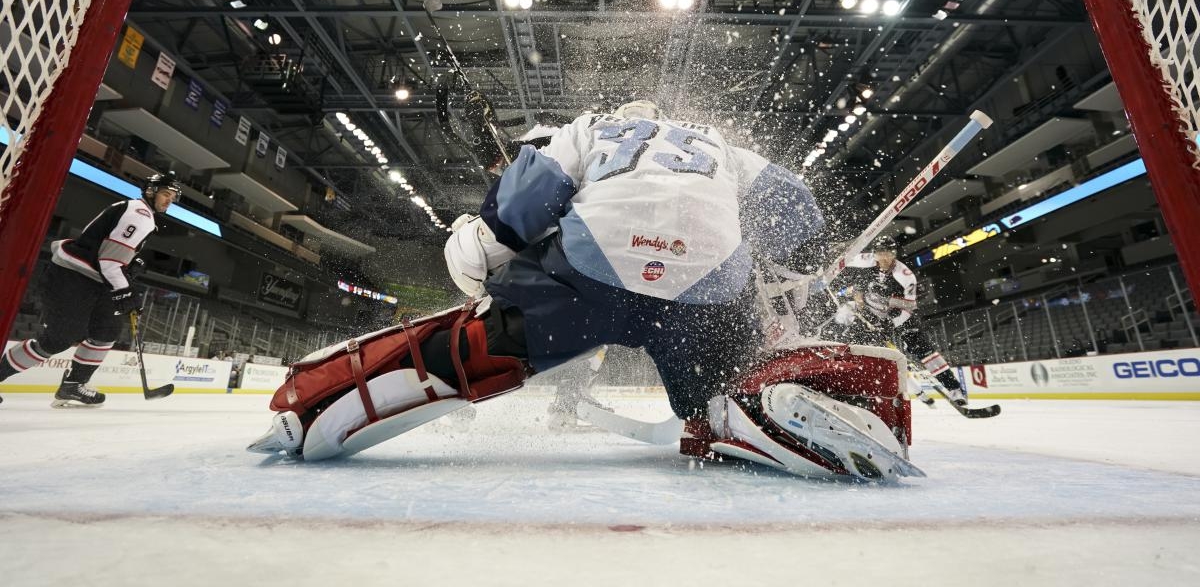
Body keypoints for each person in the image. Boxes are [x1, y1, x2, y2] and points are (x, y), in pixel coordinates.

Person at [248, 103, 922, 480]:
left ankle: (320, 404)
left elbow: (517, 212)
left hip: (589, 276)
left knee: (477, 345)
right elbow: (795, 214)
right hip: (707, 286)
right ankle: (753, 408)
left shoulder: (591, 128)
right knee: (716, 391)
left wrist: (490, 270)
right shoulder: (721, 146)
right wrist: (784, 274)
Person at [0, 172, 180, 407]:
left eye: (173, 197)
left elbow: (104, 249)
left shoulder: (134, 210)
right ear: (151, 191)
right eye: (166, 194)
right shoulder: (140, 215)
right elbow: (109, 261)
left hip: (95, 278)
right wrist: (125, 290)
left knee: (106, 330)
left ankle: (73, 385)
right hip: (73, 276)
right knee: (58, 339)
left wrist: (128, 266)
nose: (169, 201)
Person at [836, 235, 969, 405]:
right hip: (872, 316)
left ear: (894, 254)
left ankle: (954, 389)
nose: (883, 257)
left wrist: (891, 324)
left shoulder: (905, 276)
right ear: (874, 253)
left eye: (888, 253)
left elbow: (908, 308)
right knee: (867, 351)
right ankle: (886, 392)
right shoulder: (867, 260)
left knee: (924, 350)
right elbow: (842, 262)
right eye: (879, 253)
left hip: (899, 317)